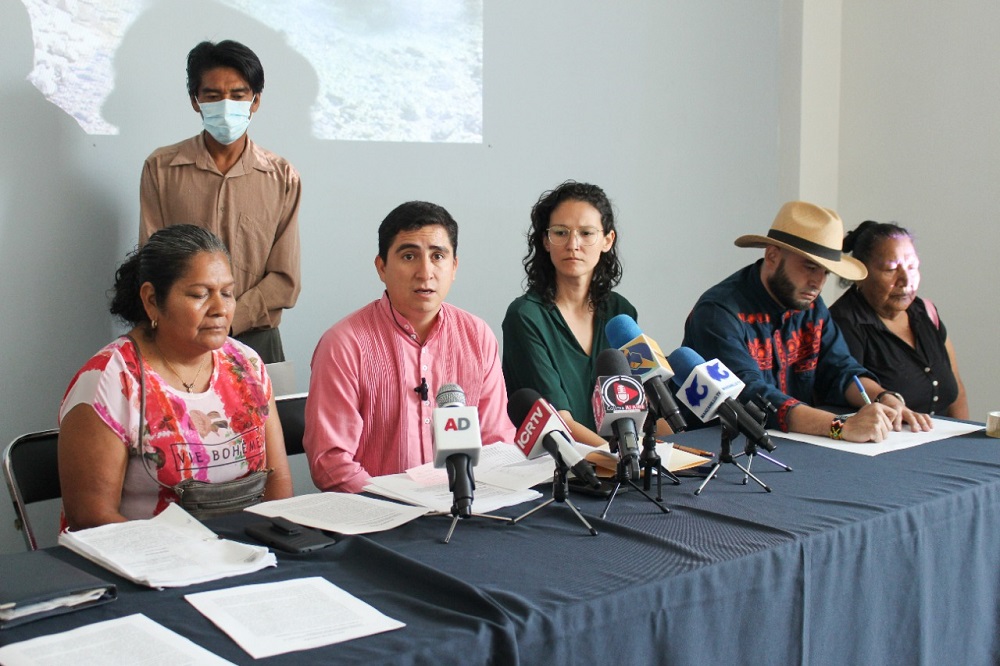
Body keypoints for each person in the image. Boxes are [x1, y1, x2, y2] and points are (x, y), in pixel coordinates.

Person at [58, 225, 293, 529]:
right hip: (150, 555)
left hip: (248, 546)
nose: (220, 309)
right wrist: (199, 552)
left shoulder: (246, 365)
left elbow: (278, 480)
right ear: (152, 300)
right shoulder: (109, 381)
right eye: (200, 294)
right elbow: (90, 518)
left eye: (227, 293)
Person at [304, 201, 516, 493]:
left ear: (454, 267)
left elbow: (496, 443)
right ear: (382, 267)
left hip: (467, 504)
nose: (425, 272)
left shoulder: (477, 337)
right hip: (382, 511)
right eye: (409, 256)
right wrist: (399, 503)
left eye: (438, 256)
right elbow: (331, 463)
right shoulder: (343, 344)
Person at [682, 201, 933, 443]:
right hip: (721, 449)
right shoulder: (718, 312)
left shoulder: (811, 305)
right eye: (810, 267)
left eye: (825, 272)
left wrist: (884, 397)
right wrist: (839, 427)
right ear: (772, 256)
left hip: (790, 444)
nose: (818, 282)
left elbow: (841, 369)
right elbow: (749, 395)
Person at [139, 40, 301, 364]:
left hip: (257, 340)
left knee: (267, 401)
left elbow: (285, 280)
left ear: (255, 101)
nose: (226, 105)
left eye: (238, 95)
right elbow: (150, 265)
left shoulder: (281, 176)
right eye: (213, 96)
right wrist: (198, 318)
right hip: (180, 339)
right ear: (195, 101)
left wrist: (229, 317)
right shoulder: (161, 168)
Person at [502, 181, 636, 446]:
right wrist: (622, 459)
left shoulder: (620, 312)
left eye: (586, 233)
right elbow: (559, 422)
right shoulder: (526, 316)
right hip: (564, 463)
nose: (573, 244)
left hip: (623, 459)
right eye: (561, 232)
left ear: (607, 240)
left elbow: (638, 408)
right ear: (545, 241)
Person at [830, 221, 968, 418]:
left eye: (912, 267)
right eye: (891, 269)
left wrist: (967, 435)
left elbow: (957, 392)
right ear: (860, 274)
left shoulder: (926, 312)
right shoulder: (843, 323)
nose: (906, 280)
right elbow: (846, 391)